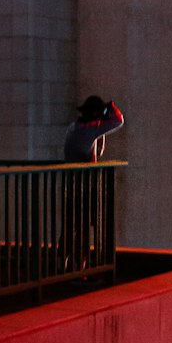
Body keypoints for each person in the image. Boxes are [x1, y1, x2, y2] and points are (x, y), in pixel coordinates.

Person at [61, 96, 125, 271]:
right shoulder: (89, 130)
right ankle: (79, 268)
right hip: (83, 188)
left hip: (70, 186)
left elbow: (98, 145)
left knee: (70, 227)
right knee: (82, 229)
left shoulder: (74, 127)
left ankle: (62, 264)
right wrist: (111, 106)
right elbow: (118, 120)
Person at [64, 95, 125, 163]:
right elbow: (118, 120)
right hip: (86, 170)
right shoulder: (90, 128)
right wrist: (112, 106)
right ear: (95, 113)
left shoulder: (73, 126)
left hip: (72, 169)